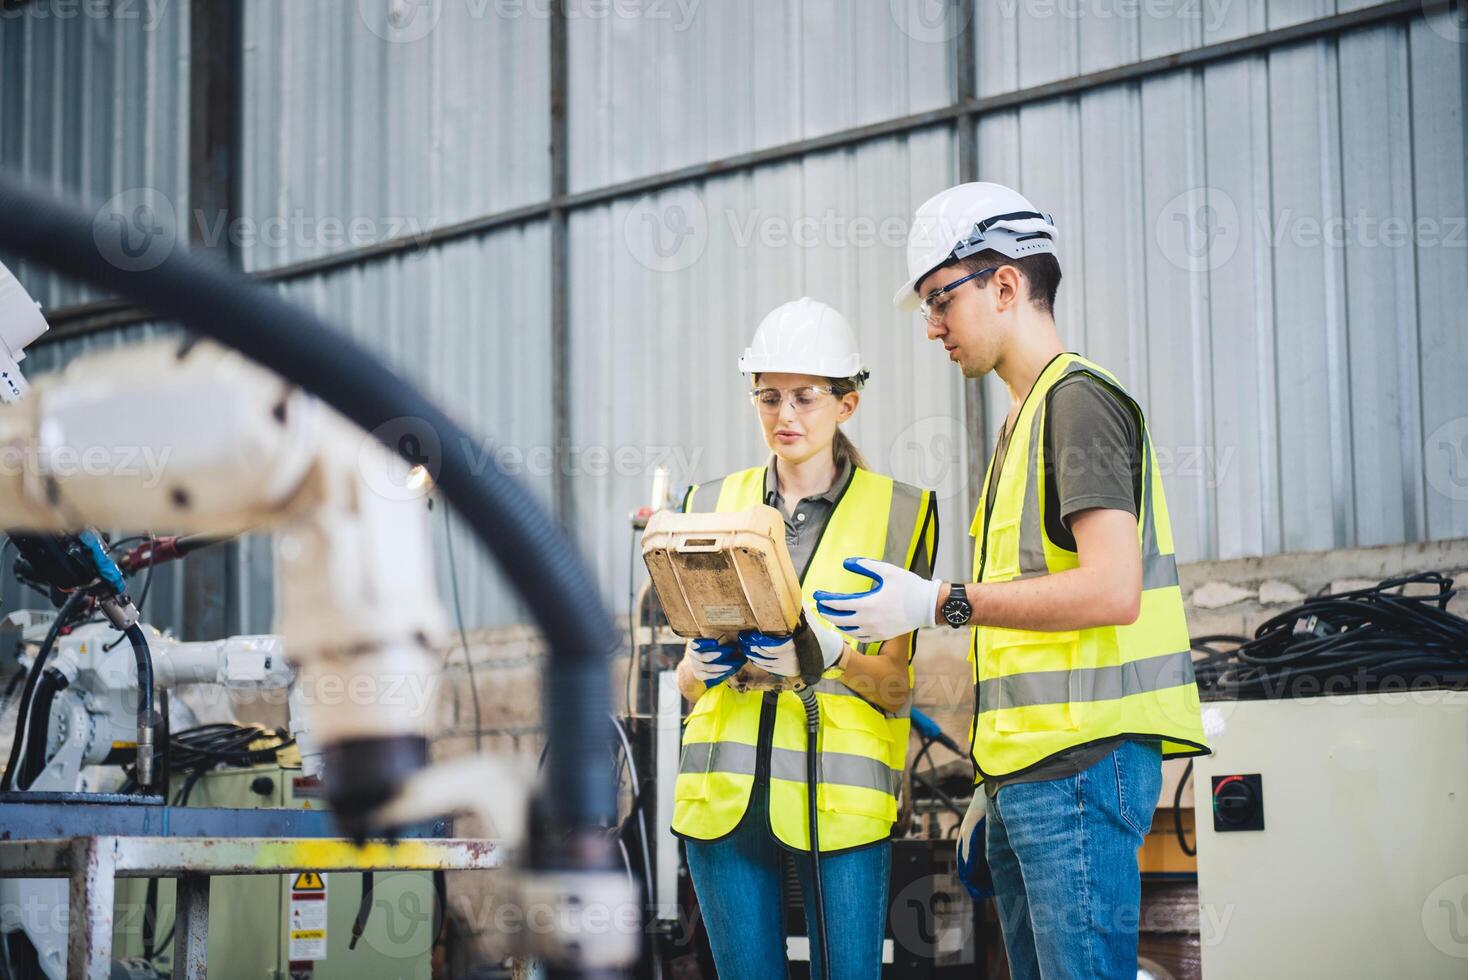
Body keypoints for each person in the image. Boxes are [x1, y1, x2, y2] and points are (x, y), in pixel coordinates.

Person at [812, 183, 1210, 980]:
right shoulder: (1024, 419)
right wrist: (989, 791)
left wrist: (937, 601)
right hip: (1034, 779)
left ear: (1003, 285)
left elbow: (1111, 590)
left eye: (939, 301)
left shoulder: (1078, 403)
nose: (931, 327)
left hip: (1079, 774)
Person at [672, 297, 938, 980]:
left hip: (838, 802)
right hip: (723, 800)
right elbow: (686, 680)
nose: (784, 416)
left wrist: (832, 657)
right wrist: (700, 665)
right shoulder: (707, 503)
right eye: (768, 398)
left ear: (847, 403)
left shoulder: (900, 513)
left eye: (805, 398)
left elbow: (897, 686)